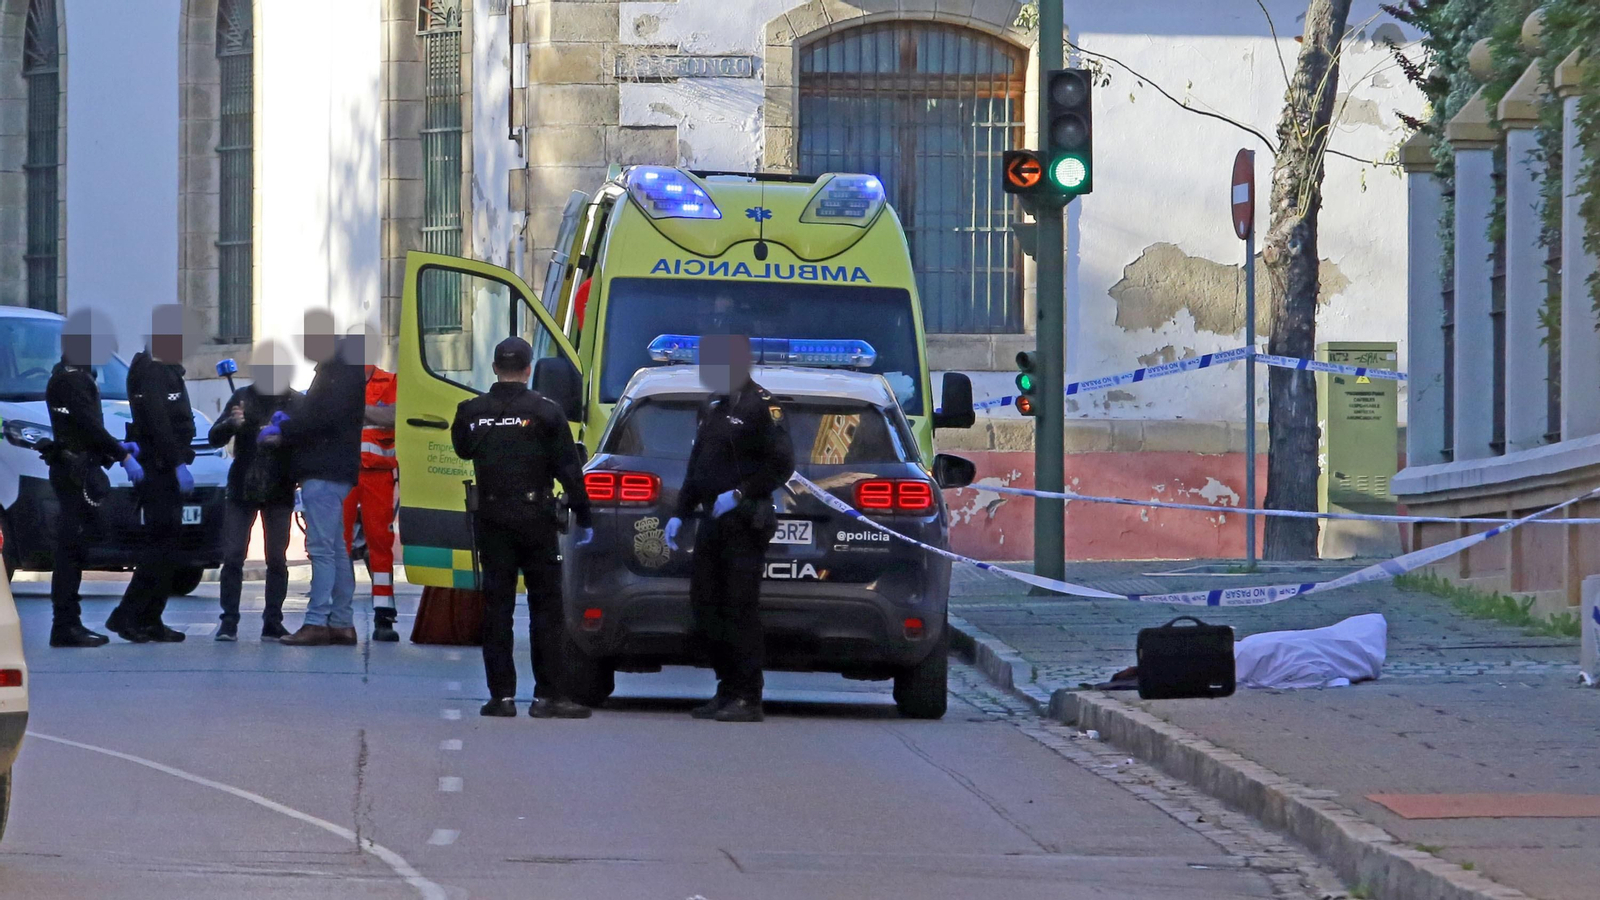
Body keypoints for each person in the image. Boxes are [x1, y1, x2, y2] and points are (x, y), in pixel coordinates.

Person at [450, 337, 594, 719]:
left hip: (492, 519)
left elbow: (463, 450)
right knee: (545, 608)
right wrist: (584, 512)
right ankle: (548, 696)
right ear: (529, 369)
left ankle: (501, 697)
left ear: (495, 367)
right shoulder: (546, 412)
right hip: (536, 518)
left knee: (497, 607)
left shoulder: (470, 411)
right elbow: (569, 468)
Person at [664, 334, 794, 723]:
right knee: (706, 605)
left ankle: (748, 696)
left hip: (744, 521)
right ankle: (726, 687)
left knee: (740, 608)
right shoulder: (713, 406)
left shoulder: (763, 407)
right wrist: (680, 511)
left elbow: (781, 465)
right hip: (711, 521)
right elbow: (697, 464)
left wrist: (740, 493)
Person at [266, 311, 365, 647]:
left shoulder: (335, 369)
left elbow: (321, 418)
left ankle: (317, 621)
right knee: (336, 548)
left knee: (322, 549)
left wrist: (283, 430)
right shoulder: (343, 367)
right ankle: (341, 621)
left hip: (323, 468)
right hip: (335, 469)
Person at [42, 308, 137, 648]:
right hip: (74, 473)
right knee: (71, 550)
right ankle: (66, 625)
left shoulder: (68, 376)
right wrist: (121, 454)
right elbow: (88, 427)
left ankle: (67, 622)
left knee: (75, 547)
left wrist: (114, 448)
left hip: (74, 468)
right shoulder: (71, 380)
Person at [104, 305, 198, 644]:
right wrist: (177, 464)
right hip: (160, 470)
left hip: (162, 465)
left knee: (167, 547)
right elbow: (158, 422)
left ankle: (150, 618)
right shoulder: (152, 372)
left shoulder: (162, 370)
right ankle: (128, 616)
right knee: (160, 546)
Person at [209, 340, 300, 642]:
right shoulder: (242, 397)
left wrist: (284, 440)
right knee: (233, 555)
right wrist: (232, 425)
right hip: (242, 487)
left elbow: (305, 442)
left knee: (277, 558)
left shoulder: (294, 402)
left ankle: (272, 620)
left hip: (279, 488)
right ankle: (228, 621)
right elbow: (214, 437)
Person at [343, 361, 400, 642]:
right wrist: (372, 413)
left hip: (378, 474)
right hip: (342, 473)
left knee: (380, 542)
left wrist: (353, 409)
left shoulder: (390, 381)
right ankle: (338, 614)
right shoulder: (334, 382)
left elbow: (394, 416)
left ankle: (384, 614)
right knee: (336, 544)